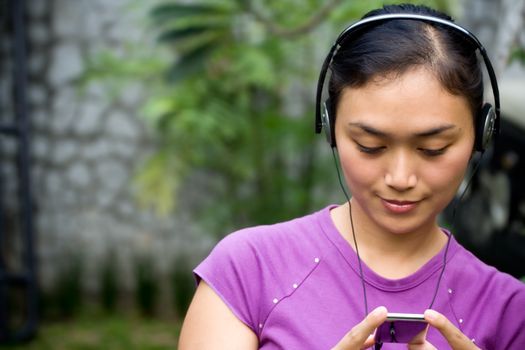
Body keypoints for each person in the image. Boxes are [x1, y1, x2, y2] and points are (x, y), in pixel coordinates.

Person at [178, 4, 525, 349]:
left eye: (433, 148)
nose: (400, 178)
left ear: (481, 137)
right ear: (330, 129)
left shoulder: (511, 313)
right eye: (369, 145)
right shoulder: (248, 270)